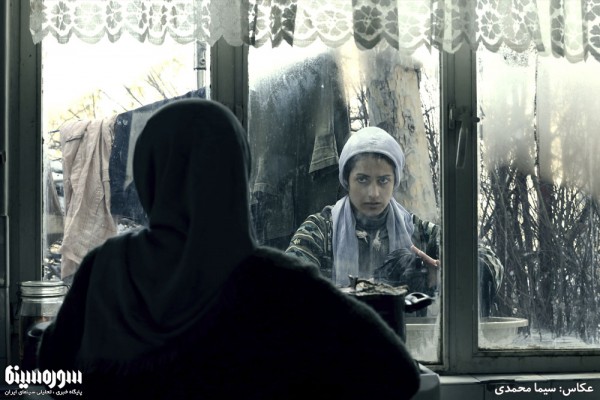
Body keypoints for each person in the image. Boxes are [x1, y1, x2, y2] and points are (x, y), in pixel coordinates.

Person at [37, 99, 421, 399]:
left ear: (149, 174)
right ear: (238, 176)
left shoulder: (105, 270)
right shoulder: (279, 284)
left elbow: (51, 370)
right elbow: (396, 374)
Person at [286, 127, 503, 312]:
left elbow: (488, 260)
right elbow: (286, 284)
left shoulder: (417, 231)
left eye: (383, 181)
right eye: (362, 180)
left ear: (394, 182)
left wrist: (442, 275)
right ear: (347, 180)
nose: (373, 193)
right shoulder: (321, 230)